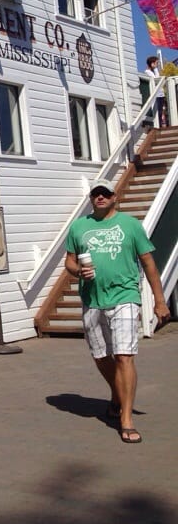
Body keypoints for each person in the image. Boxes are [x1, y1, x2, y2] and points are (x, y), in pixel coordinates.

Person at [64, 179, 169, 444]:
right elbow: (70, 261)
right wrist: (78, 271)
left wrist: (159, 301)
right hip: (92, 299)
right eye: (95, 194)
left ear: (114, 197)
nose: (100, 197)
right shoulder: (79, 227)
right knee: (101, 356)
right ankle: (117, 393)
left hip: (125, 296)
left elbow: (148, 263)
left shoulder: (130, 225)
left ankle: (126, 419)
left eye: (105, 193)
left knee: (124, 356)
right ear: (91, 199)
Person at [145, 56, 167, 127]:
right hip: (156, 95)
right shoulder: (147, 72)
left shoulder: (153, 72)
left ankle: (160, 124)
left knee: (161, 111)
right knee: (158, 111)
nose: (157, 65)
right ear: (152, 64)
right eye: (156, 63)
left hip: (160, 94)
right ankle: (158, 125)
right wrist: (155, 69)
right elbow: (156, 80)